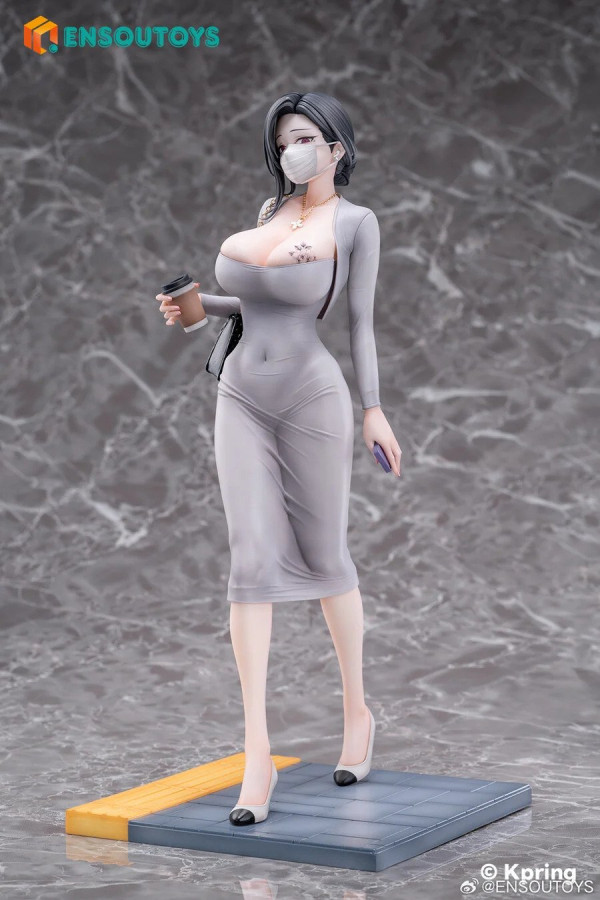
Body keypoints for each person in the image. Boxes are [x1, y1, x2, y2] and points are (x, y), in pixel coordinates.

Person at [155, 92, 402, 825]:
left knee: (326, 557)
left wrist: (374, 407)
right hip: (240, 395)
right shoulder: (270, 212)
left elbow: (358, 322)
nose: (293, 149)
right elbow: (255, 302)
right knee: (249, 560)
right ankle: (256, 751)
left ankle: (357, 714)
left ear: (336, 148)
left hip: (310, 397)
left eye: (306, 137)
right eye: (285, 138)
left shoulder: (355, 223)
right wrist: (200, 308)